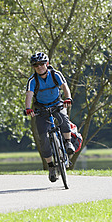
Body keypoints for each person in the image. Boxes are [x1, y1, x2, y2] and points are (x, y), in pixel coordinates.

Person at [25, 52, 75, 182]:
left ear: (46, 64)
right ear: (33, 67)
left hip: (57, 104)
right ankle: (51, 167)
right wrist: (28, 108)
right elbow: (29, 94)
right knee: (43, 138)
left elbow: (65, 86)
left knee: (64, 120)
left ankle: (68, 143)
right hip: (40, 108)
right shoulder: (32, 80)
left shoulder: (55, 74)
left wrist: (68, 98)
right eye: (36, 65)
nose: (39, 67)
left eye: (42, 64)